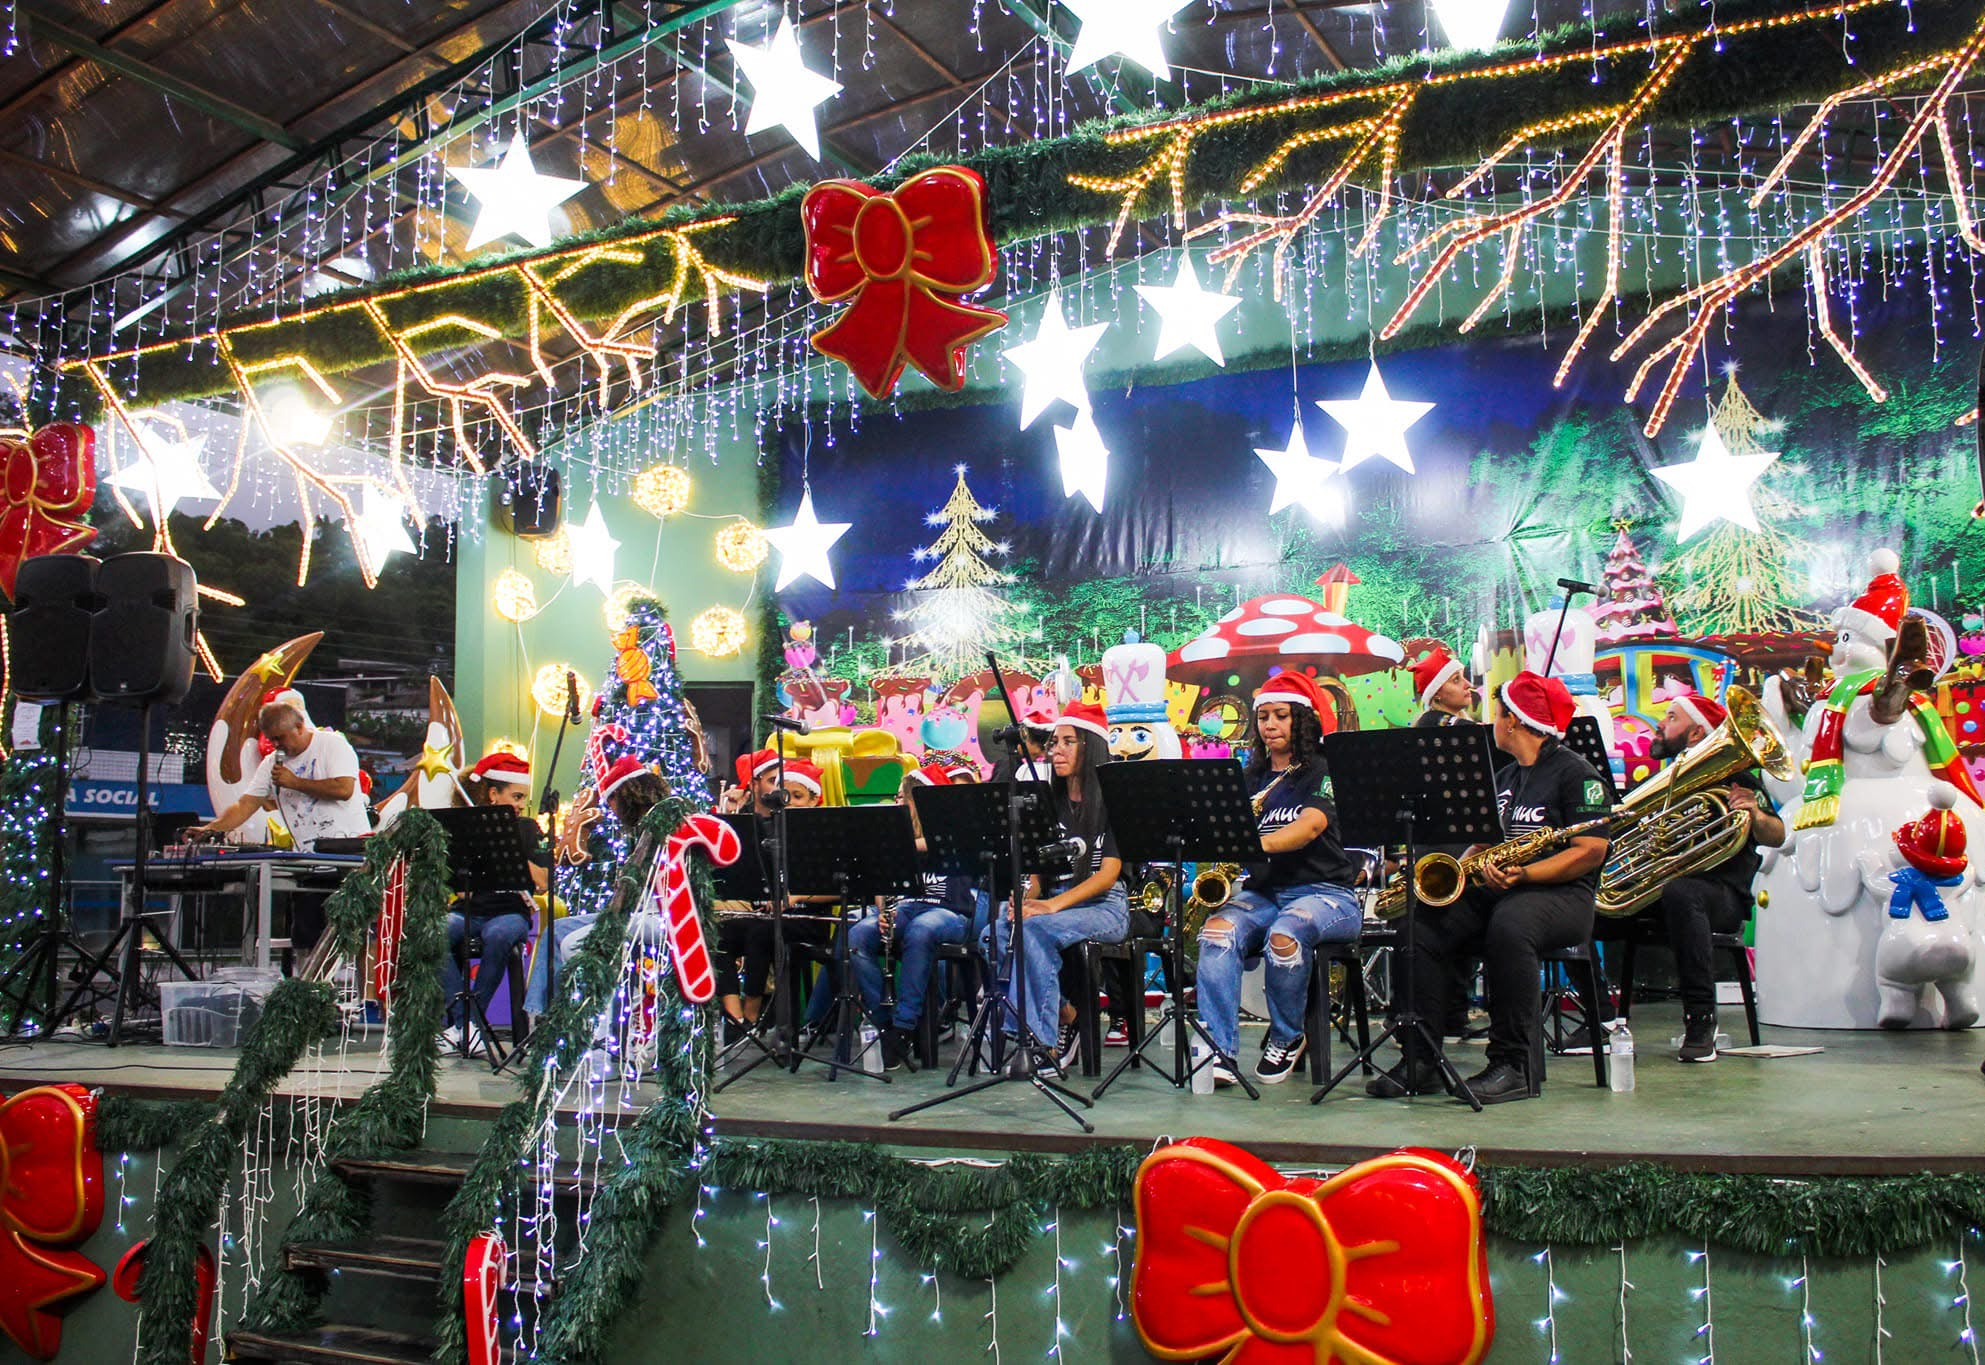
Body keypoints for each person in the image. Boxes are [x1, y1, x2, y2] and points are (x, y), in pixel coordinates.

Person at [1370, 671, 1611, 1104]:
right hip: (1503, 887)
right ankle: (1421, 1058)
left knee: (1510, 925)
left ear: (1513, 720)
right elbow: (1484, 838)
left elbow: (1590, 850)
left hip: (1561, 896)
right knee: (1420, 923)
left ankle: (1513, 1064)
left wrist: (1527, 875)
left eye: (1497, 714)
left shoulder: (1576, 773)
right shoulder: (1507, 778)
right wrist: (1455, 873)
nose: (1492, 722)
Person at [1194, 673, 1363, 1086]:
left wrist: (1248, 842)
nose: (1270, 725)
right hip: (1266, 893)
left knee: (1285, 935)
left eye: (1281, 716)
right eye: (1263, 716)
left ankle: (1288, 1036)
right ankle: (1220, 1049)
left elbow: (1307, 828)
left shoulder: (1323, 771)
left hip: (1327, 894)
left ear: (1301, 720)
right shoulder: (1250, 779)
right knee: (1217, 931)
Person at [1639, 692, 1785, 1062]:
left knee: (1682, 893)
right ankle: (1603, 1022)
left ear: (1694, 734)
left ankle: (1701, 1019)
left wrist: (1754, 812)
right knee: (1588, 900)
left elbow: (1777, 835)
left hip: (1722, 895)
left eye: (1671, 717)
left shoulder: (1737, 778)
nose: (1660, 723)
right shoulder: (1666, 781)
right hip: (1664, 891)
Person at [989, 700, 1127, 1071]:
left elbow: (1108, 874)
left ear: (1090, 746)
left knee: (1033, 929)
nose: (1056, 750)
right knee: (998, 927)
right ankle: (1066, 1014)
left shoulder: (1114, 802)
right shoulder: (1049, 800)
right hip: (1056, 898)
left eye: (1067, 741)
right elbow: (1038, 873)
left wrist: (1051, 906)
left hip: (1104, 905)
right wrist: (1028, 898)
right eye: (1054, 742)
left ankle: (1039, 1042)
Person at [191, 699, 370, 955]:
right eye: (271, 740)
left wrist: (295, 782)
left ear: (299, 727)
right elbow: (246, 803)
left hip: (348, 858)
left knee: (359, 936)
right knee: (308, 937)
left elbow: (343, 789)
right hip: (309, 862)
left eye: (280, 738)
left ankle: (365, 993)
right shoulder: (273, 763)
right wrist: (212, 829)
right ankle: (308, 988)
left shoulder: (332, 745)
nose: (276, 745)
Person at [847, 765, 982, 1070]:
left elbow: (933, 843)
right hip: (908, 908)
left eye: (903, 797)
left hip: (951, 913)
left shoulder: (953, 829)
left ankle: (905, 1026)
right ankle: (887, 1026)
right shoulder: (899, 836)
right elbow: (884, 883)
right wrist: (884, 913)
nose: (899, 804)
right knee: (857, 936)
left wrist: (898, 844)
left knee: (921, 931)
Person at [523, 755, 669, 1015]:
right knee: (555, 930)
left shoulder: (661, 827)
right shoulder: (641, 831)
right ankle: (542, 1014)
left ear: (624, 796)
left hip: (658, 917)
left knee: (574, 943)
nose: (611, 809)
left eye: (612, 801)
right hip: (634, 913)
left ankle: (585, 1019)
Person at [439, 752, 547, 1047]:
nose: (520, 804)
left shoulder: (526, 828)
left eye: (523, 798)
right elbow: (461, 890)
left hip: (510, 912)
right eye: (515, 796)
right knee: (432, 933)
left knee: (500, 935)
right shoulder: (467, 829)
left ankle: (471, 1023)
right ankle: (464, 1023)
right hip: (470, 910)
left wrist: (510, 848)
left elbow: (543, 882)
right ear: (492, 794)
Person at [1412, 648, 1477, 726]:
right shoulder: (1431, 721)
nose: (1469, 685)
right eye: (1456, 679)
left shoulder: (1460, 721)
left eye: (1463, 677)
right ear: (1436, 694)